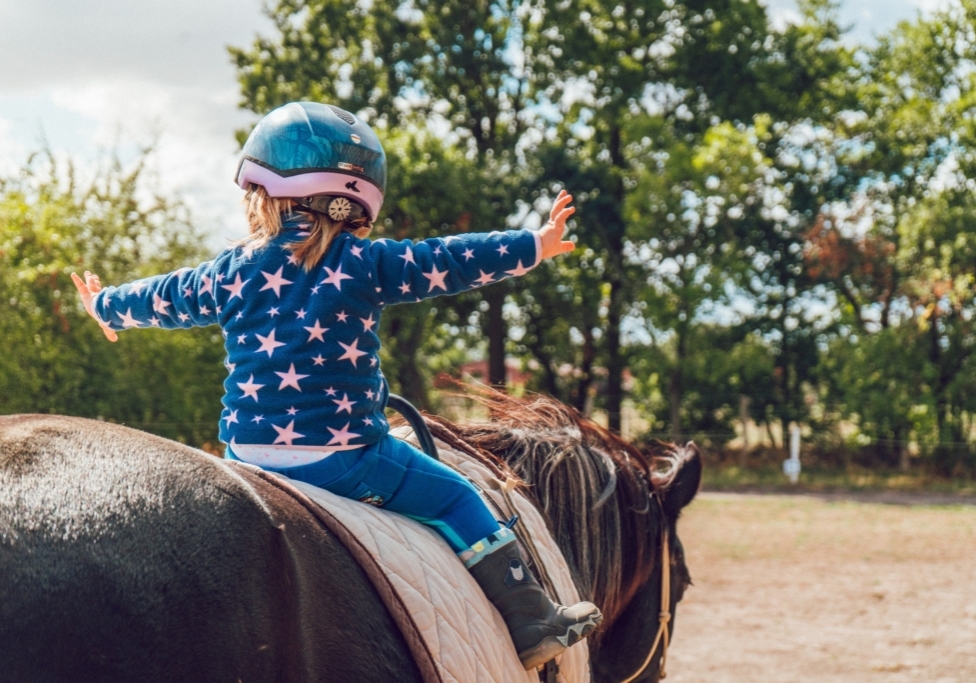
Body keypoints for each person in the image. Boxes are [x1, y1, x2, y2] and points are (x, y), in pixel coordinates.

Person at [72, 101, 601, 669]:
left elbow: (167, 296)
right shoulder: (365, 263)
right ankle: (531, 621)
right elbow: (448, 258)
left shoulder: (230, 269)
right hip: (345, 459)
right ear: (357, 203)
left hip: (246, 459)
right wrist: (534, 246)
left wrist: (106, 306)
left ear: (261, 193)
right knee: (456, 496)